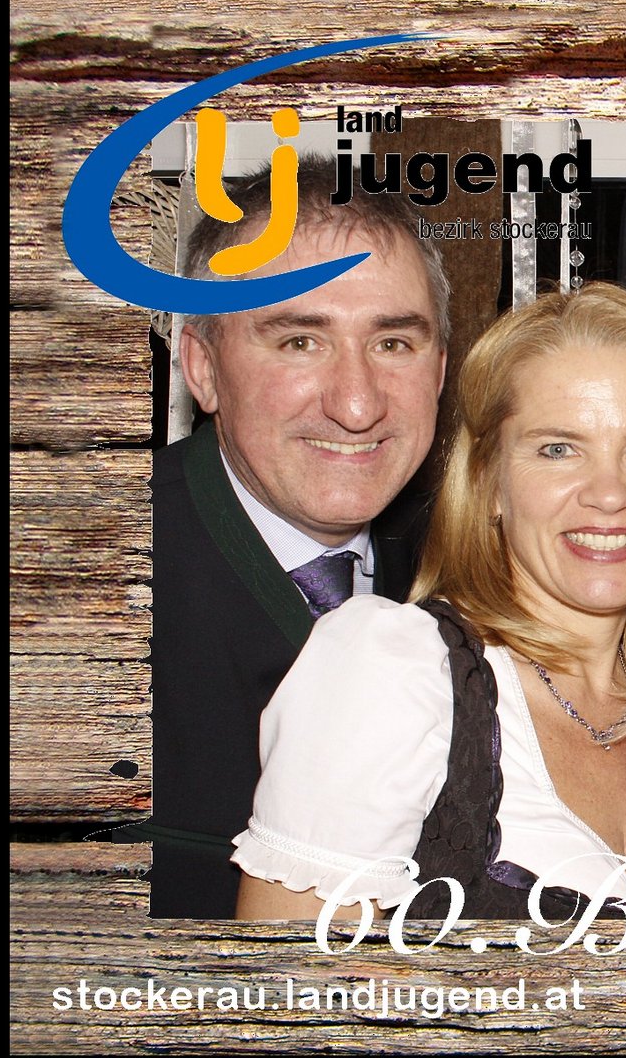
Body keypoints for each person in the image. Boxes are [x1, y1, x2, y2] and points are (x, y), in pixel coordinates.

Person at [231, 283, 626, 919]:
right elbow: (286, 976)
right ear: (488, 482)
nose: (610, 493)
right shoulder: (393, 671)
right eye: (558, 449)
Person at [146, 155, 450, 918]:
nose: (357, 404)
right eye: (299, 342)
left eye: (393, 343)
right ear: (202, 369)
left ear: (442, 371)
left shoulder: (481, 568)